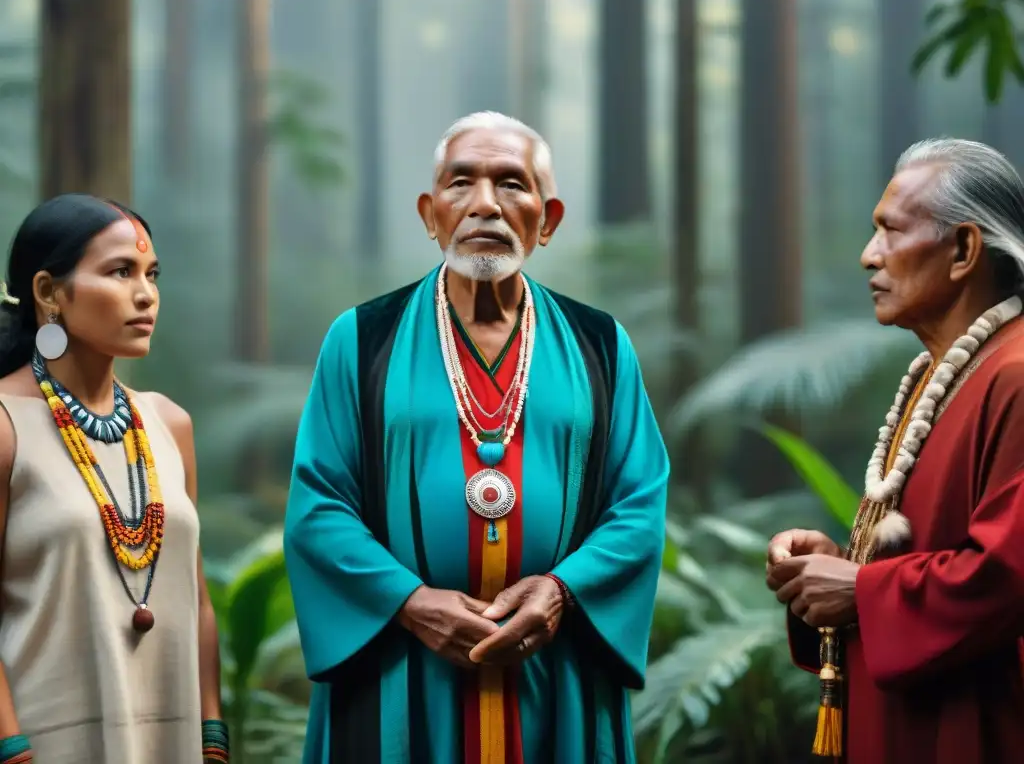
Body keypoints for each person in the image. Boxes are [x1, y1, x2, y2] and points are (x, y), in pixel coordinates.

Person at [284, 111, 669, 763]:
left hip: (556, 670)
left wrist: (561, 591)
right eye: (461, 183)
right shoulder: (361, 339)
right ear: (430, 213)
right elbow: (318, 506)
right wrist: (409, 602)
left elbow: (639, 503)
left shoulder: (600, 344)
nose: (485, 204)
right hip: (401, 677)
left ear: (547, 220)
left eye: (512, 184)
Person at [766, 138, 1024, 763]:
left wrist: (864, 591)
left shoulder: (1014, 373)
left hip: (976, 727)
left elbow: (1008, 574)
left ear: (963, 249)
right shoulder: (946, 373)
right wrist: (835, 566)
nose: (867, 256)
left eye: (889, 231)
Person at [0, 194, 226, 763]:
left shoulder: (170, 424)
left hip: (169, 739)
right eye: (120, 272)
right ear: (49, 292)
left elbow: (196, 599)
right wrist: (11, 747)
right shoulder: (6, 427)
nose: (146, 294)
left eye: (152, 275)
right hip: (45, 740)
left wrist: (212, 729)